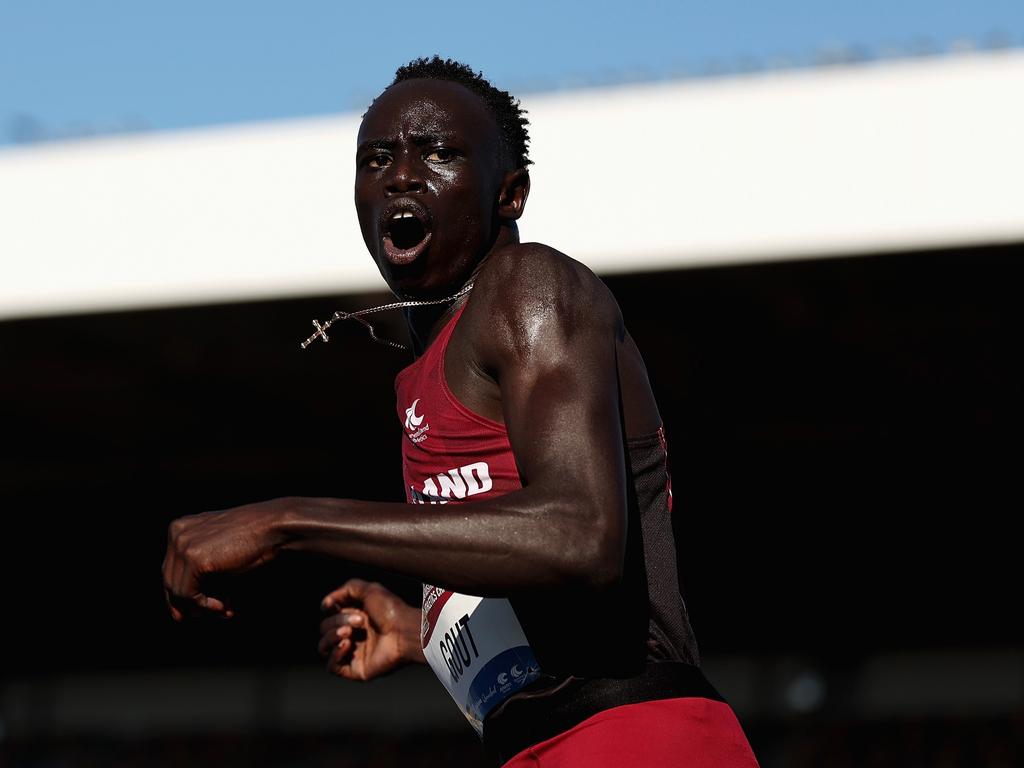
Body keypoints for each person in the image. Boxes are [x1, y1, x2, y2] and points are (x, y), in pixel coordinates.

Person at [163, 56, 759, 767]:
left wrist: (286, 522)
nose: (403, 174)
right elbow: (544, 585)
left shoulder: (528, 284)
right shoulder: (425, 368)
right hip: (539, 744)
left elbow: (581, 538)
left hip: (633, 737)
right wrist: (427, 632)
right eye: (377, 158)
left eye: (439, 152)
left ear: (510, 194)